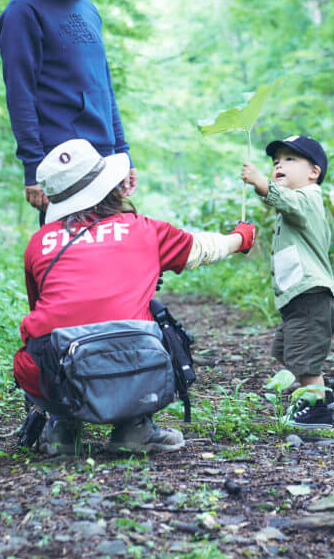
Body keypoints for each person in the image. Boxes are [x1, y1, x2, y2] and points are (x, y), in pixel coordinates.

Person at [15, 138, 255, 455]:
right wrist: (240, 238)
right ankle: (135, 426)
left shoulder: (39, 242)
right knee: (159, 323)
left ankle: (61, 425)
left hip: (58, 372)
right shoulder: (142, 229)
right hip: (129, 361)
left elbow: (41, 317)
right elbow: (202, 250)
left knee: (39, 346)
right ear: (108, 186)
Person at [0, 0, 137, 215]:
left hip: (106, 165)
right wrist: (33, 166)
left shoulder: (88, 10)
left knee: (114, 256)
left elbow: (104, 88)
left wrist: (123, 154)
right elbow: (20, 94)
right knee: (69, 260)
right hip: (64, 169)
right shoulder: (23, 11)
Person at [240, 135, 334, 429]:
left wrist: (260, 182)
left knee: (304, 357)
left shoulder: (309, 198)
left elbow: (284, 199)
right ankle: (317, 395)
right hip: (298, 297)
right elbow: (282, 202)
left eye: (289, 159)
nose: (278, 165)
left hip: (312, 295)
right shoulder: (293, 204)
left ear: (314, 172)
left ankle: (316, 411)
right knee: (289, 351)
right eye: (275, 162)